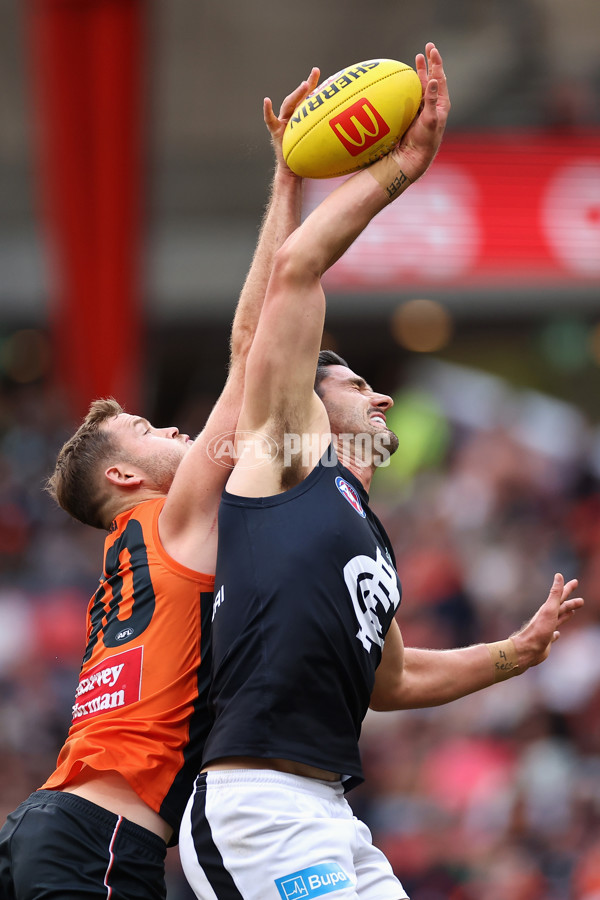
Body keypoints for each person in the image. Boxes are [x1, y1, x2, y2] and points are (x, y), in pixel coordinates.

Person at [179, 43, 584, 900]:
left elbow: (393, 679)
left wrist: (513, 653)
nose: (385, 400)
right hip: (259, 807)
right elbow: (293, 276)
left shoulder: (366, 532)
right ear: (304, 402)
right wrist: (398, 170)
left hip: (328, 811)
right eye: (358, 384)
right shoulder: (289, 457)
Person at [0, 68, 321, 900]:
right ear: (121, 474)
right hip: (97, 840)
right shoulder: (171, 520)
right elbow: (251, 351)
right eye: (147, 431)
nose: (173, 429)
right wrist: (289, 185)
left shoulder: (130, 551)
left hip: (56, 825)